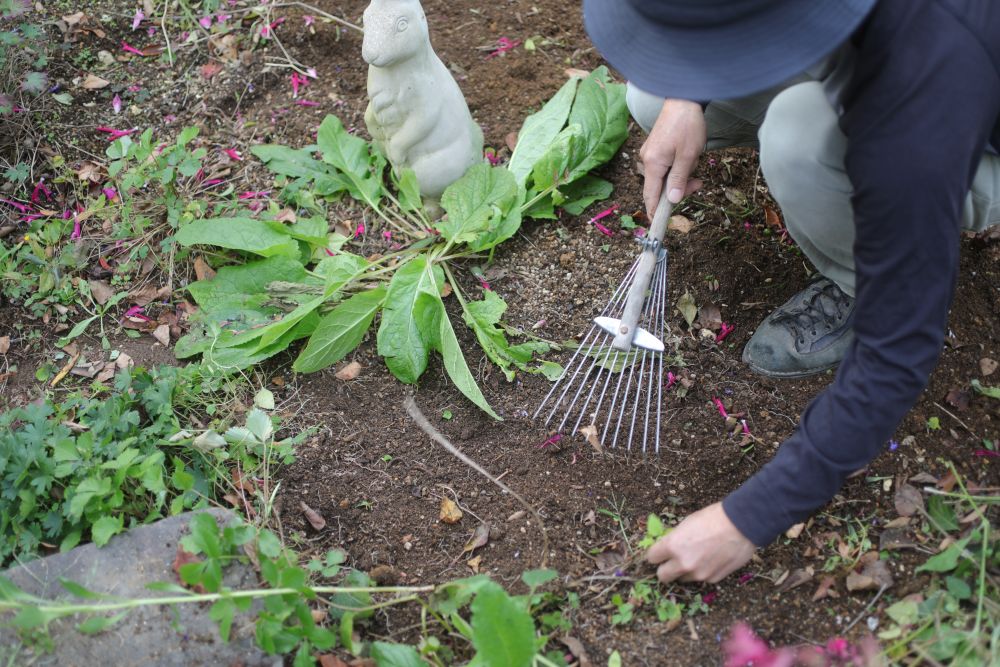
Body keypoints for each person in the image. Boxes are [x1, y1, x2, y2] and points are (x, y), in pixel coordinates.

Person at [582, 0, 1000, 583]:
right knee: (657, 95)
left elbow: (898, 349)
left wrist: (747, 519)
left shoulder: (921, 82)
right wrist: (689, 93)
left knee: (798, 135)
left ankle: (856, 283)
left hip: (973, 124)